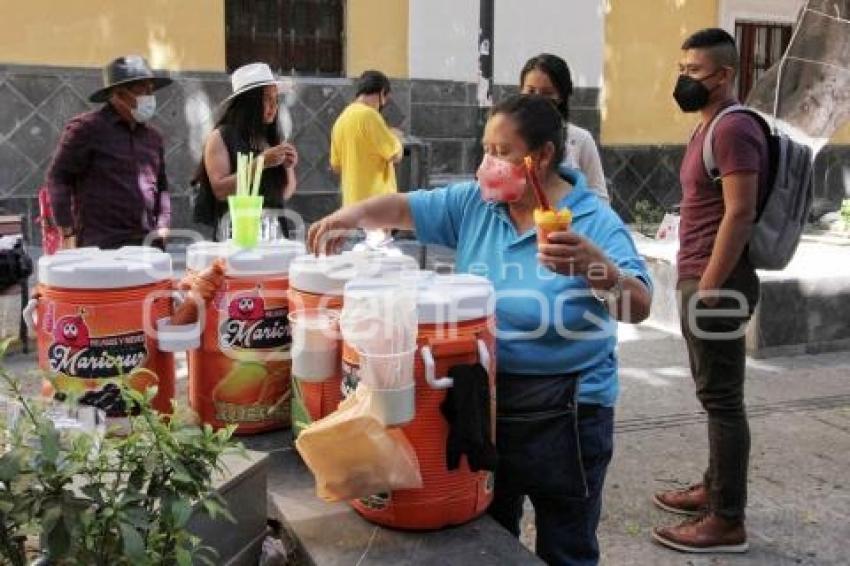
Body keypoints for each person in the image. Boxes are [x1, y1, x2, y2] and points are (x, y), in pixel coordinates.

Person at [309, 95, 653, 565]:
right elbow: (403, 209)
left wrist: (599, 270)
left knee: (566, 547)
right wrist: (348, 217)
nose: (487, 163)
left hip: (568, 410)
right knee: (490, 535)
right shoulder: (477, 205)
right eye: (486, 149)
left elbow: (639, 306)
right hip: (485, 400)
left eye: (502, 152)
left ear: (543, 156)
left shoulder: (592, 220)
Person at [651, 28, 767, 554]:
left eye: (693, 71)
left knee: (722, 399)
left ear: (723, 75)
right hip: (701, 274)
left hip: (717, 281)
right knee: (711, 392)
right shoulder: (708, 126)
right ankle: (712, 489)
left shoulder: (734, 129)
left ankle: (727, 520)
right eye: (681, 68)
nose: (684, 79)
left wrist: (712, 286)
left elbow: (740, 212)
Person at [46, 55, 173, 249]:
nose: (150, 96)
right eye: (143, 89)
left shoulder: (153, 137)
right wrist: (67, 228)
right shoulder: (86, 129)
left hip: (148, 244)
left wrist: (164, 223)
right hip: (102, 244)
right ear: (119, 94)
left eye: (151, 89)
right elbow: (58, 178)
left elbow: (162, 185)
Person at [194, 62, 298, 240]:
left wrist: (287, 166)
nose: (273, 106)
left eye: (275, 99)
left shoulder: (271, 139)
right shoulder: (221, 137)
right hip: (236, 233)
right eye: (266, 99)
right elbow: (220, 190)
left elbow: (285, 192)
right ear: (249, 103)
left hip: (274, 233)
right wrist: (260, 163)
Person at [520, 53, 608, 202]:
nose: (537, 99)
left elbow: (599, 197)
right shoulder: (509, 136)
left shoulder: (580, 139)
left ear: (562, 96)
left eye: (547, 93)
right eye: (531, 91)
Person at [330, 70, 403, 207]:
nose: (384, 103)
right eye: (385, 97)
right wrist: (395, 137)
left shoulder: (341, 120)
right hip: (376, 206)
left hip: (351, 207)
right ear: (381, 92)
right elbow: (395, 155)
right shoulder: (370, 116)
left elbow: (336, 166)